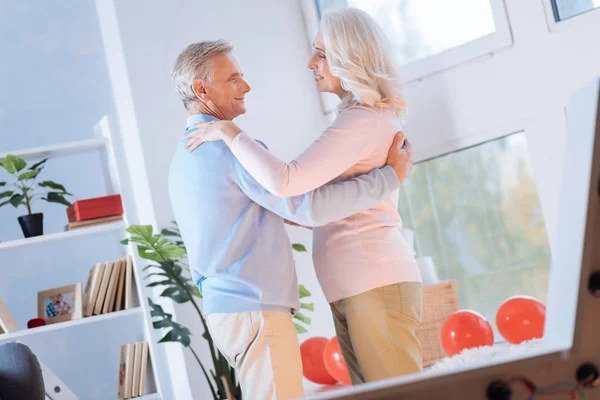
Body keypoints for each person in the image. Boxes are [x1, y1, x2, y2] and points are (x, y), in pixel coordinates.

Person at [185, 8, 423, 385]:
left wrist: (230, 133)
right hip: (357, 283)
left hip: (373, 277)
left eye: (322, 54)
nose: (311, 63)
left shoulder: (363, 120)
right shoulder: (358, 119)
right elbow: (308, 203)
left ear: (350, 58)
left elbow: (287, 181)